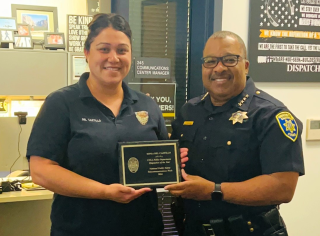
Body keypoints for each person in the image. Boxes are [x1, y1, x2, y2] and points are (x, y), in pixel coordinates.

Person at [27, 13, 167, 236]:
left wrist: (177, 163)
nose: (114, 58)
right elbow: (41, 170)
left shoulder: (148, 105)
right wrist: (104, 192)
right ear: (86, 53)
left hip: (143, 227)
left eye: (122, 50)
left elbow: (161, 163)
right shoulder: (61, 103)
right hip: (80, 229)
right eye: (104, 49)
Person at [165, 31, 304, 236]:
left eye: (229, 60)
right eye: (210, 61)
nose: (219, 68)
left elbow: (283, 187)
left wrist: (213, 191)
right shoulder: (190, 110)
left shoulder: (271, 115)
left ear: (245, 66)